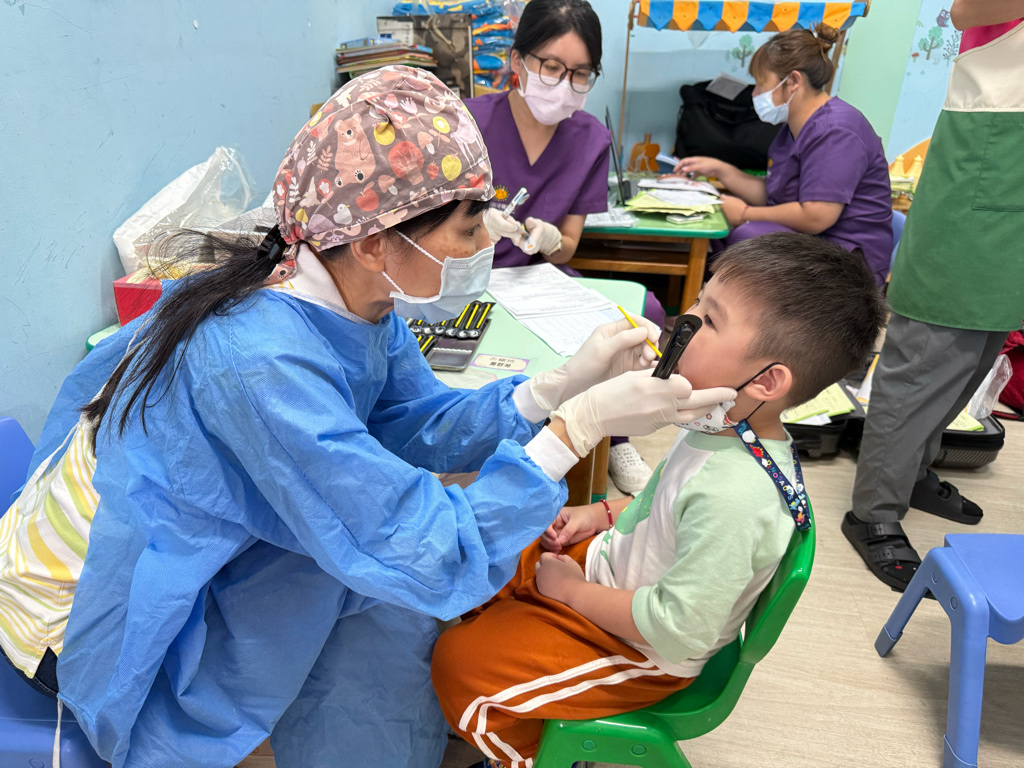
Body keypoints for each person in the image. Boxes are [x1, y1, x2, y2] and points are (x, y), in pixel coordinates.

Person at [0, 67, 737, 768]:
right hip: (97, 616)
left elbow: (407, 425)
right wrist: (574, 430)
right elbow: (426, 544)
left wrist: (551, 391)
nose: (488, 245)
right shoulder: (261, 359)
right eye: (469, 226)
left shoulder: (353, 296)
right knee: (379, 578)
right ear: (375, 241)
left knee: (377, 594)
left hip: (192, 546)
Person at [432, 233, 887, 767]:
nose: (683, 321)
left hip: (642, 647)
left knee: (460, 664)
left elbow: (676, 629)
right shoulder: (720, 425)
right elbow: (662, 503)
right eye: (696, 300)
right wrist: (598, 514)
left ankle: (530, 754)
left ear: (767, 381)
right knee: (491, 551)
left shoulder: (738, 496)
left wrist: (573, 593)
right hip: (615, 577)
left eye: (708, 319)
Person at [842, 0, 1024, 591]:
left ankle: (913, 470)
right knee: (931, 349)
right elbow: (965, 10)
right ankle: (873, 510)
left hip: (1011, 186)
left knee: (981, 345)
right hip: (990, 155)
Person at [467, 0, 668, 495]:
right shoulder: (467, 123)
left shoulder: (591, 138)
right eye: (552, 67)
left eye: (580, 74)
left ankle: (614, 434)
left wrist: (552, 241)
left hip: (538, 281)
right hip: (468, 277)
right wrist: (474, 229)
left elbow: (569, 247)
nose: (564, 84)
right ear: (517, 61)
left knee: (644, 316)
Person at [670, 23, 893, 286]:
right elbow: (774, 195)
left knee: (746, 234)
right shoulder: (791, 131)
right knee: (720, 227)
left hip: (847, 260)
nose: (755, 94)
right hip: (813, 242)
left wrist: (745, 213)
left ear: (793, 81)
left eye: (761, 84)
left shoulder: (837, 130)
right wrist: (720, 170)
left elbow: (816, 215)